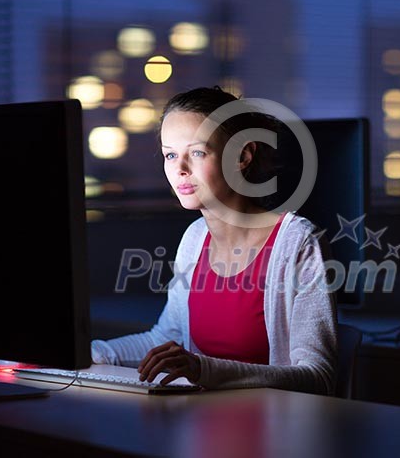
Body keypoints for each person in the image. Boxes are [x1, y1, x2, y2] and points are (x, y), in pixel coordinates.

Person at [91, 86, 338, 396]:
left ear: (242, 156)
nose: (179, 169)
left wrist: (202, 369)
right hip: (200, 426)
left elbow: (318, 377)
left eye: (197, 152)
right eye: (170, 154)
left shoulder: (298, 242)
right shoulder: (194, 239)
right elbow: (165, 340)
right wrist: (88, 352)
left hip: (274, 434)